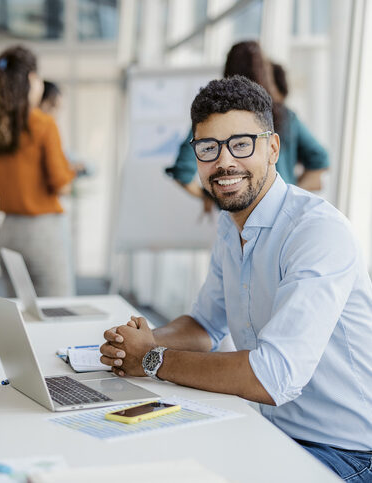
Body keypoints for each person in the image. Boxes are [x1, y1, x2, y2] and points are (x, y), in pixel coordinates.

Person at [100, 76, 372, 481]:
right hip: (266, 427)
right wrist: (139, 342)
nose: (224, 161)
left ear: (273, 147)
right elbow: (205, 325)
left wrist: (154, 360)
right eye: (209, 148)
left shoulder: (316, 232)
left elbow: (273, 375)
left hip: (344, 452)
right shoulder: (231, 227)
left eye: (241, 144)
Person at [166, 41, 329, 213]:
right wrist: (291, 190)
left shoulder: (212, 119)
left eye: (242, 144)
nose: (227, 162)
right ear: (265, 71)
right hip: (274, 211)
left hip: (237, 212)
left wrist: (214, 197)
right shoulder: (285, 115)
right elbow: (320, 159)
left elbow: (182, 172)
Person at [0, 46, 75, 297]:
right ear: (32, 79)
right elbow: (61, 184)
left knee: (19, 315)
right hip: (41, 232)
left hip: (8, 231)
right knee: (57, 309)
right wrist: (70, 171)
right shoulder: (43, 123)